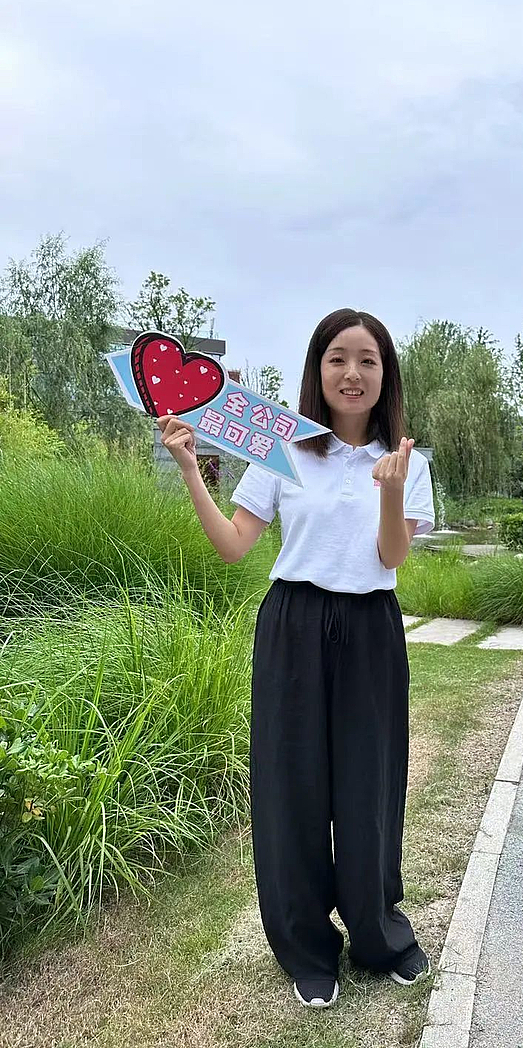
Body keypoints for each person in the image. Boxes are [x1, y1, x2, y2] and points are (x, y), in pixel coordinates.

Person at [157, 308, 435, 1011]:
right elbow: (233, 544)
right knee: (293, 789)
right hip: (294, 624)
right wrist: (191, 469)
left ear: (386, 374)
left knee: (370, 787)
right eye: (338, 358)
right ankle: (307, 947)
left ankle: (377, 934)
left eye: (367, 360)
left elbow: (391, 557)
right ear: (317, 369)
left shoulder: (408, 461)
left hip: (370, 628)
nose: (352, 373)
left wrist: (391, 488)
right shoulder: (281, 448)